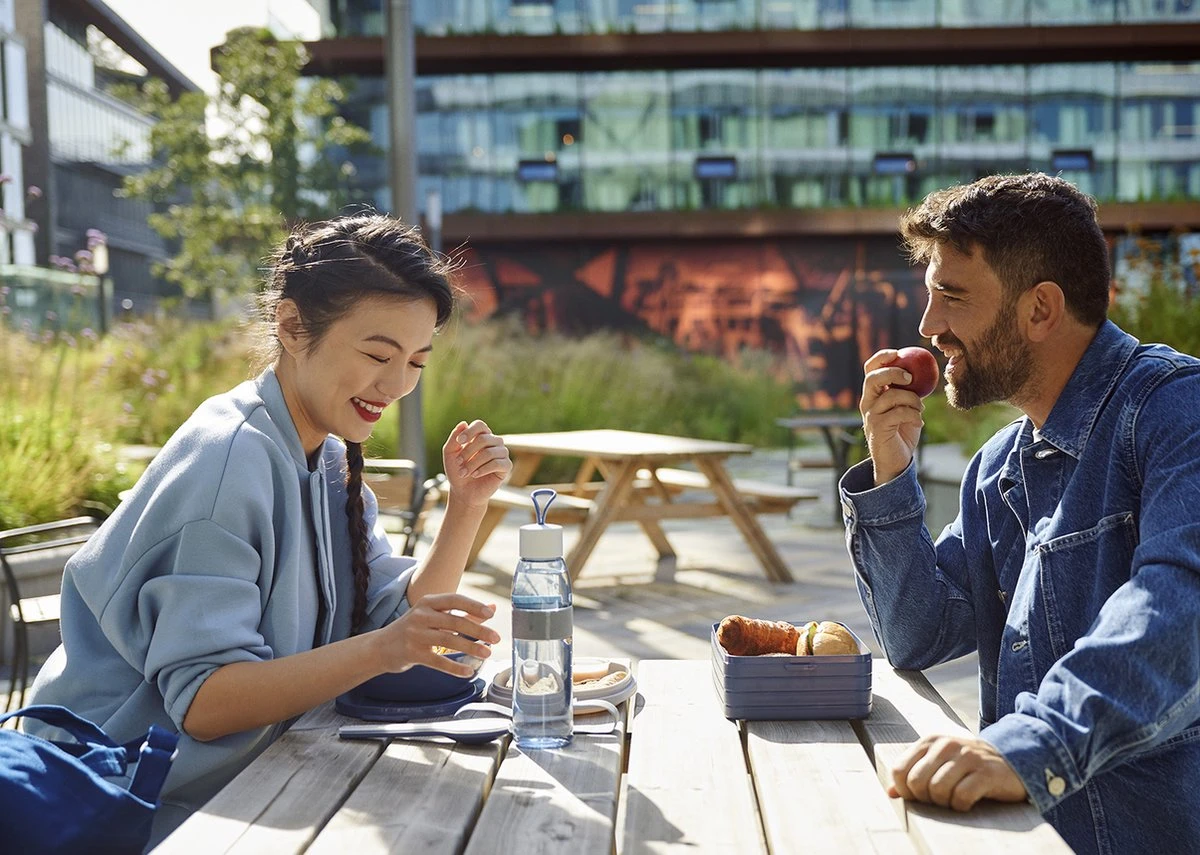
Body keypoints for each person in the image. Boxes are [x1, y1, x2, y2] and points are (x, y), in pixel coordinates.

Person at [26, 214, 512, 840]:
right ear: (291, 325)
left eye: (416, 361)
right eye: (376, 354)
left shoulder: (324, 457)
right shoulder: (229, 461)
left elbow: (394, 622)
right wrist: (388, 648)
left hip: (247, 781)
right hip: (120, 806)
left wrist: (467, 505)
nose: (397, 385)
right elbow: (208, 705)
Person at [839, 173, 1200, 854]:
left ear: (1040, 310)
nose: (927, 328)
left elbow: (1179, 607)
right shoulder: (999, 466)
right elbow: (918, 633)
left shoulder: (1176, 412)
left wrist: (1031, 746)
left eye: (952, 296)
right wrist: (891, 470)